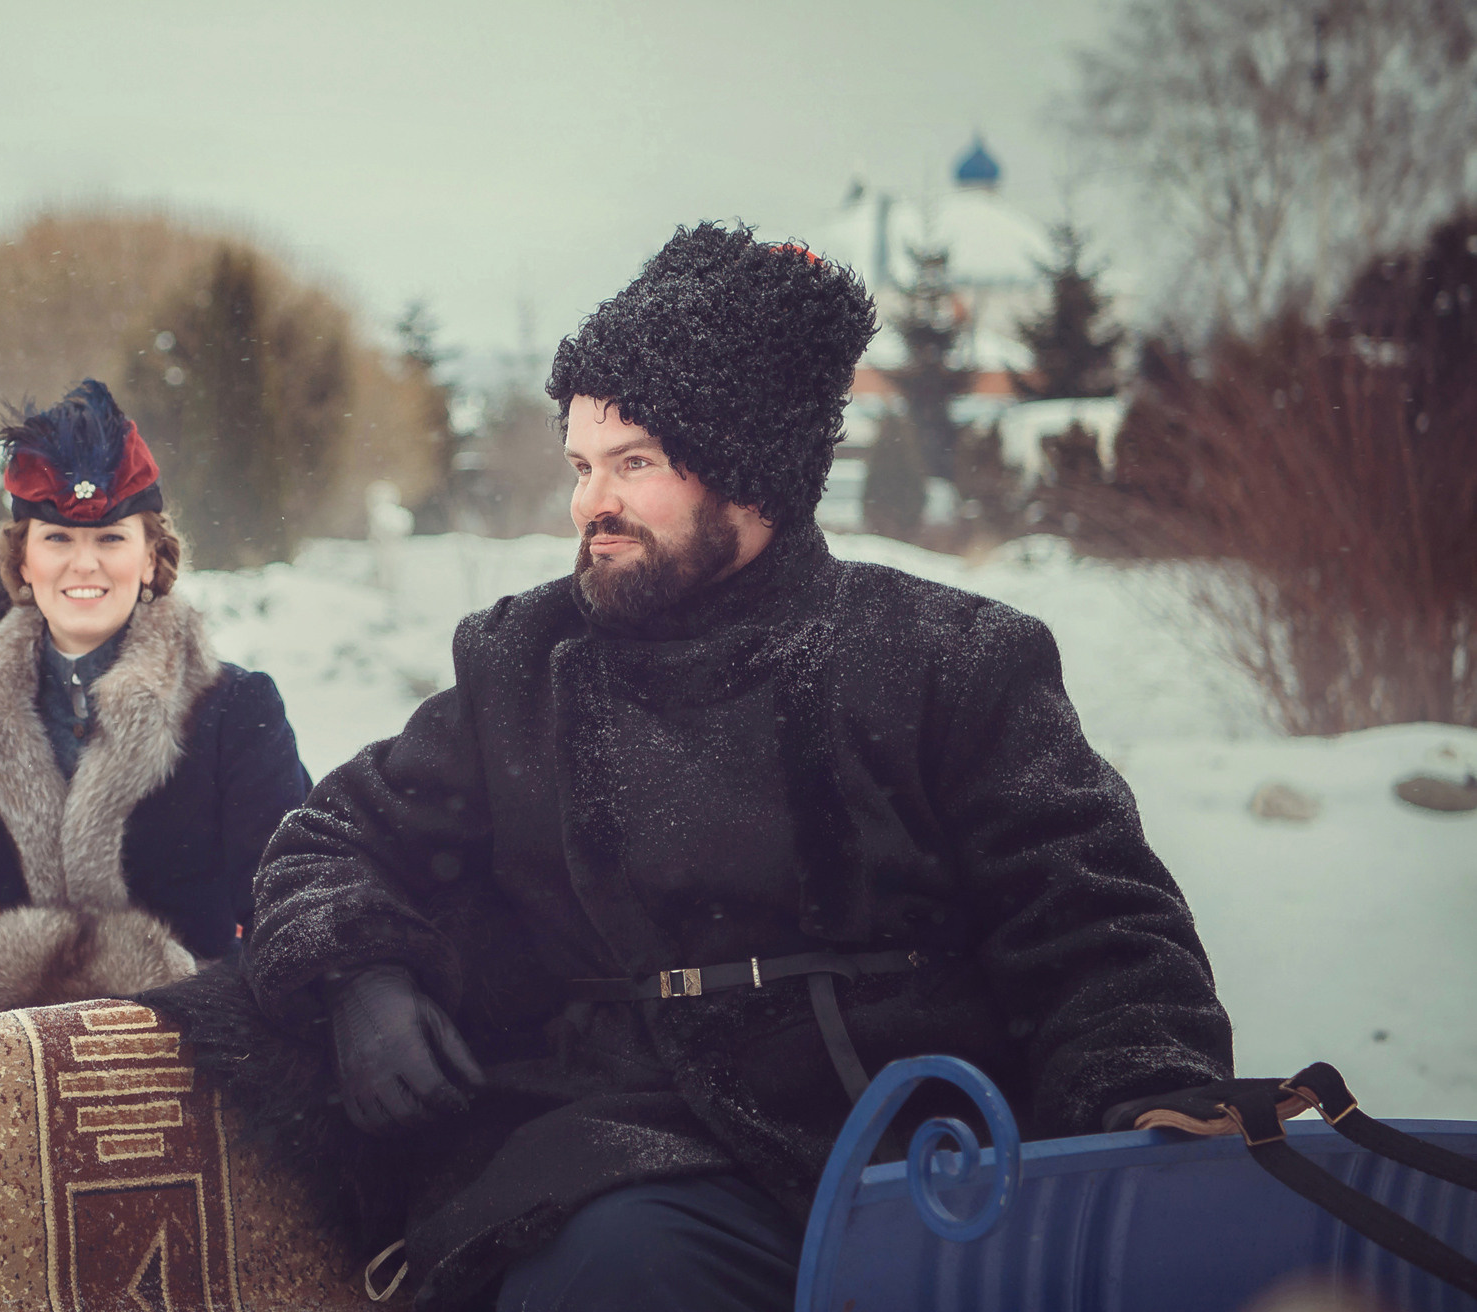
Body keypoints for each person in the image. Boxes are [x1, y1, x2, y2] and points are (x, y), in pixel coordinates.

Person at [147, 224, 1234, 1312]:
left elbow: (1092, 917)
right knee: (616, 1269)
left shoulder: (949, 662)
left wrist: (1148, 1093)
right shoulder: (523, 665)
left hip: (923, 1157)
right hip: (623, 1151)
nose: (589, 504)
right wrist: (360, 978)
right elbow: (335, 836)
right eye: (582, 466)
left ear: (750, 473)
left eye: (634, 465)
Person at [0, 380, 311, 1017]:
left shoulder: (238, 711)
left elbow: (289, 904)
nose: (83, 564)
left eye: (111, 538)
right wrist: (26, 1005)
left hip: (191, 1042)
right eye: (57, 539)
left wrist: (181, 1010)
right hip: (8, 1043)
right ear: (22, 562)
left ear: (151, 559)